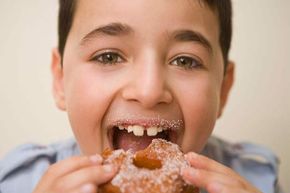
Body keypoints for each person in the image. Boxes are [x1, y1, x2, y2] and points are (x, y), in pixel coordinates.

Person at [0, 0, 283, 193]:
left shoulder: (252, 180)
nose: (149, 92)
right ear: (61, 79)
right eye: (108, 56)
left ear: (222, 88)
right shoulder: (22, 182)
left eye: (185, 61)